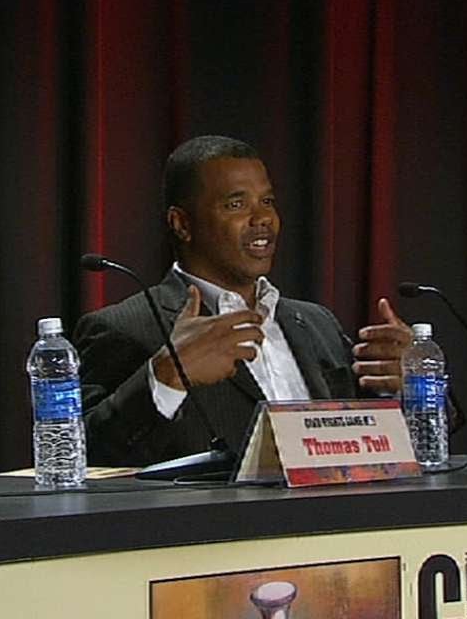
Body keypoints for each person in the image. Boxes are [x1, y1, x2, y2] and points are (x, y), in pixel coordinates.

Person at [74, 135, 413, 467]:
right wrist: (164, 378)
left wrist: (415, 385)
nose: (262, 218)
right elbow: (84, 458)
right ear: (182, 224)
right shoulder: (123, 327)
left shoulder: (316, 323)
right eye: (236, 204)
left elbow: (381, 448)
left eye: (267, 201)